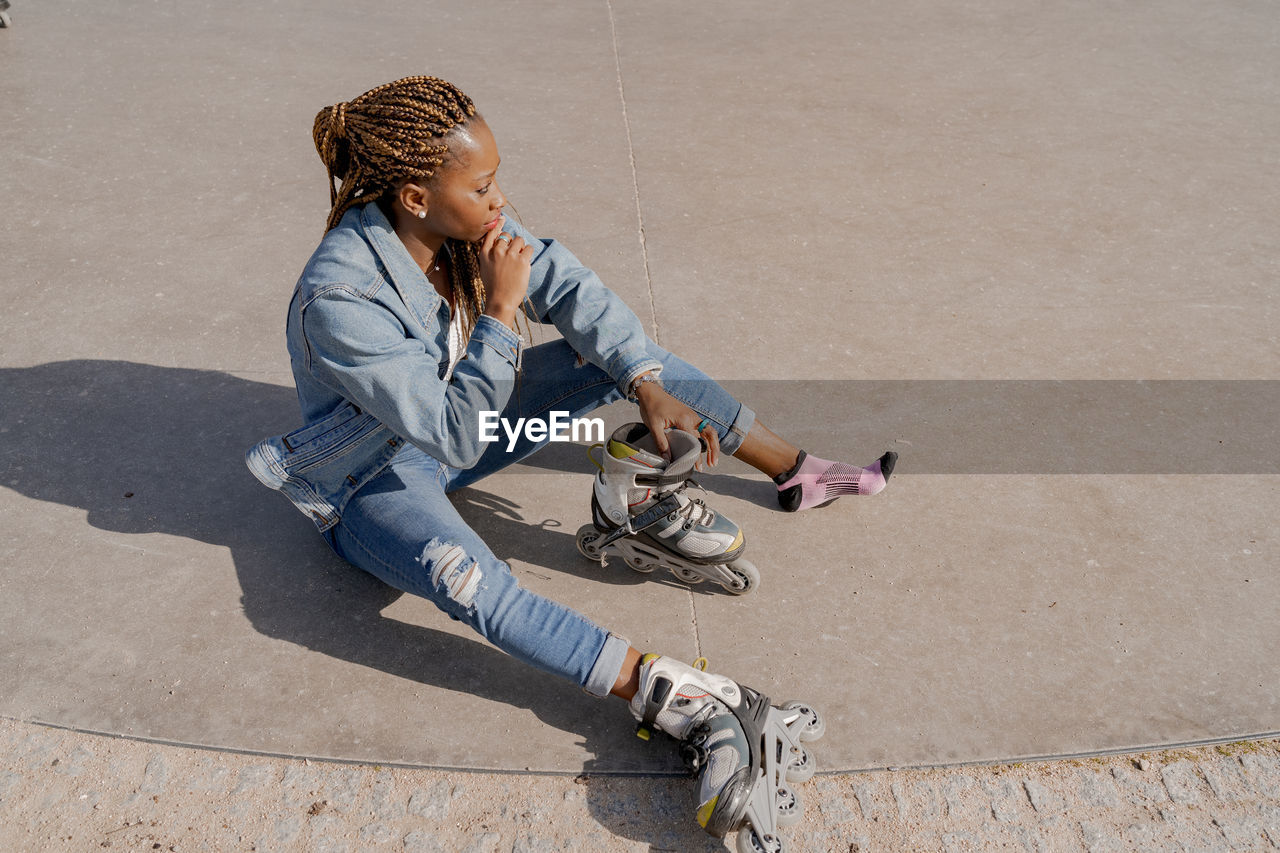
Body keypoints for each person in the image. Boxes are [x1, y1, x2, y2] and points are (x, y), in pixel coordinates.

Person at [246, 75, 894, 842]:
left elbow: (574, 293)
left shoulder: (465, 225)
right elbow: (451, 435)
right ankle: (674, 694)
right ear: (417, 197)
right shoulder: (340, 300)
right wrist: (498, 310)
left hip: (460, 424)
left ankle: (792, 468)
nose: (499, 201)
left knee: (620, 356)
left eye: (496, 181)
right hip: (371, 482)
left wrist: (645, 385)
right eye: (482, 185)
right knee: (473, 581)